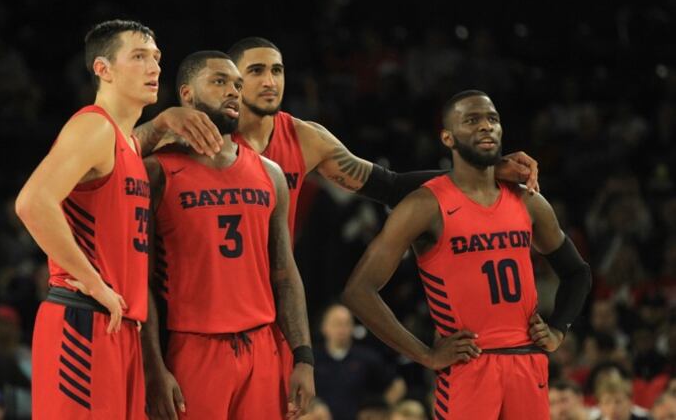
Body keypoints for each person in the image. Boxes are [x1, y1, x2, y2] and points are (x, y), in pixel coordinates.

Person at [133, 36, 541, 399]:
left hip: (266, 312)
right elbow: (118, 165)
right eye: (254, 71)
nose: (269, 81)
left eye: (276, 70)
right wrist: (159, 122)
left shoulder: (304, 138)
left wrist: (479, 169)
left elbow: (389, 185)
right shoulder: (191, 139)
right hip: (191, 319)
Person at [342, 90, 592, 419]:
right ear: (447, 137)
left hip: (528, 362)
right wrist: (426, 355)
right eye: (472, 120)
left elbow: (578, 274)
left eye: (492, 119)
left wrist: (559, 329)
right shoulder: (424, 205)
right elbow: (358, 291)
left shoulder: (529, 202)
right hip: (469, 366)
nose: (486, 126)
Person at [142, 51, 314, 420]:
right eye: (219, 82)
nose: (233, 92)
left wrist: (304, 356)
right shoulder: (157, 172)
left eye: (237, 84)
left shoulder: (269, 173)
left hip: (262, 345)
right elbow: (144, 285)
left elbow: (284, 271)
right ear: (187, 94)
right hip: (193, 346)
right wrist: (153, 367)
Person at [15, 19, 159, 419]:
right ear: (103, 68)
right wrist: (95, 282)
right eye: (139, 56)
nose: (154, 67)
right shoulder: (94, 126)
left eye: (156, 58)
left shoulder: (128, 142)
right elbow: (32, 202)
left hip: (118, 324)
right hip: (82, 318)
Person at [314, 304, 405, 420]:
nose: (341, 329)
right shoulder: (313, 359)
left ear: (352, 327)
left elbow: (398, 385)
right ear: (324, 327)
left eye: (346, 324)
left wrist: (380, 409)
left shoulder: (366, 358)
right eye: (336, 323)